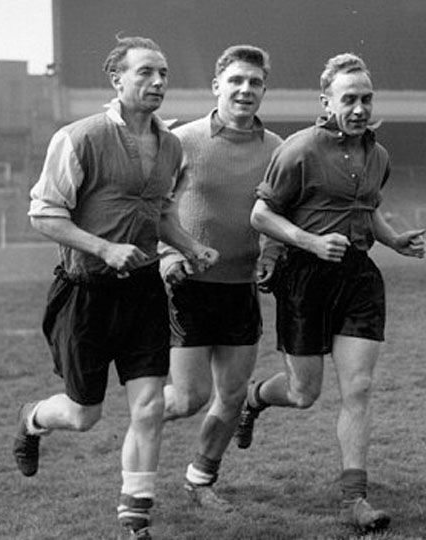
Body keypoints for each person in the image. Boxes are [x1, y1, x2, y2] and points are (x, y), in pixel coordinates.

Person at [15, 36, 219, 539]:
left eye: (164, 73)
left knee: (149, 405)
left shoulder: (171, 146)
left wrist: (190, 246)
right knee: (84, 414)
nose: (157, 82)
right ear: (118, 80)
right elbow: (44, 214)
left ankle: (135, 517)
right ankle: (33, 418)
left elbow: (160, 213)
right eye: (146, 72)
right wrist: (103, 248)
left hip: (144, 292)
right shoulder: (78, 138)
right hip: (85, 292)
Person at [238, 52, 426, 533]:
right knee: (304, 392)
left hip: (359, 279)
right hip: (304, 277)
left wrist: (393, 239)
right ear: (326, 101)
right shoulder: (298, 151)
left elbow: (367, 208)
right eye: (349, 99)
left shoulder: (377, 155)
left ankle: (355, 499)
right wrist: (310, 242)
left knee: (358, 388)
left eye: (366, 98)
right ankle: (255, 399)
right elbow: (261, 216)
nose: (360, 108)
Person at [158, 44, 283, 512]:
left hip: (240, 289)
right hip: (187, 287)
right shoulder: (181, 140)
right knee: (188, 398)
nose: (245, 90)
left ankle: (200, 479)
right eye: (236, 80)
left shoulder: (277, 150)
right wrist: (167, 256)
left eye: (254, 82)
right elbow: (152, 208)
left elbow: (278, 214)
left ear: (264, 91)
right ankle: (138, 447)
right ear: (217, 86)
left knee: (231, 398)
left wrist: (271, 254)